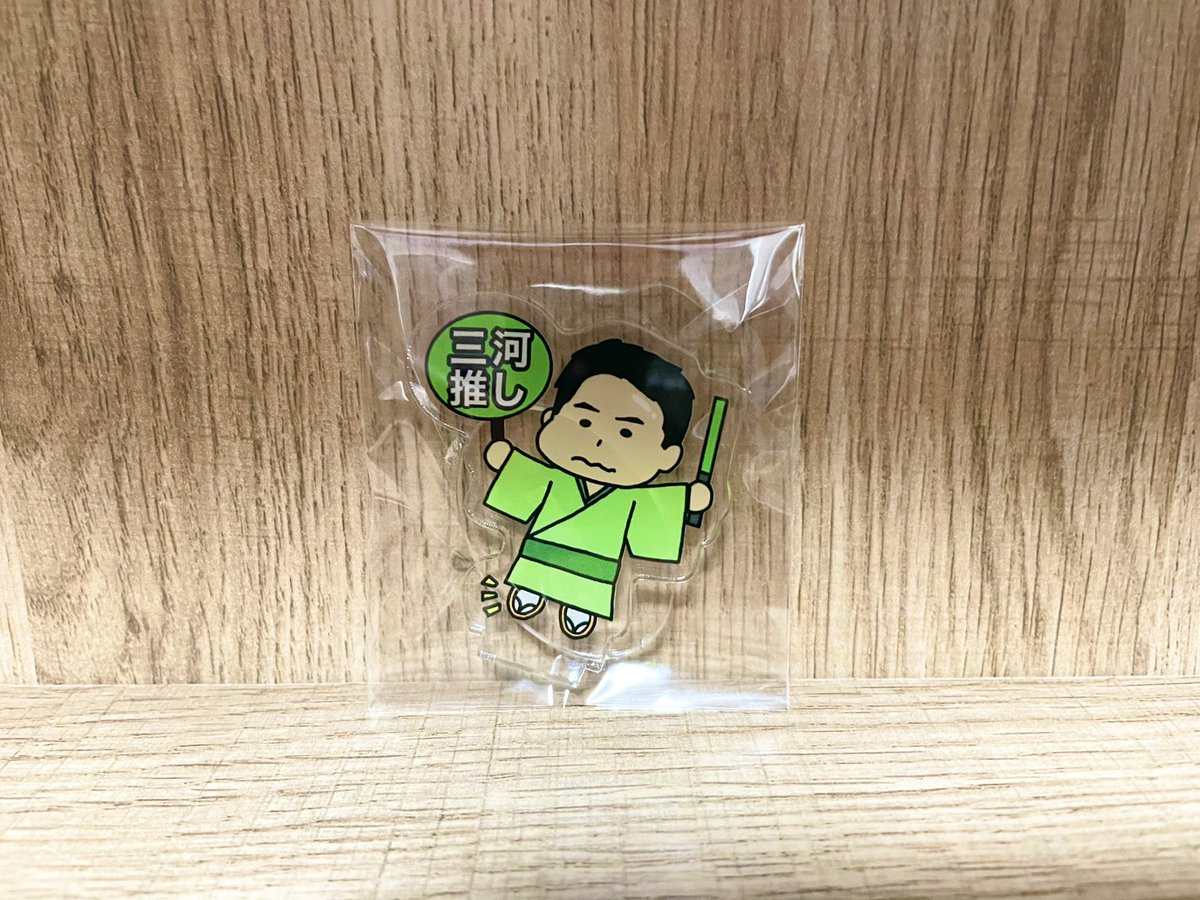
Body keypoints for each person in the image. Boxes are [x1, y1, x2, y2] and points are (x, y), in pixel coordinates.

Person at [483, 339, 712, 639]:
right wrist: (507, 462)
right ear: (550, 418)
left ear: (667, 456)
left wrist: (686, 501)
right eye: (585, 421)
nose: (600, 441)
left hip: (595, 568)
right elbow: (528, 479)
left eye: (626, 432)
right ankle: (531, 589)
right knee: (536, 570)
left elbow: (655, 509)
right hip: (541, 554)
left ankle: (580, 606)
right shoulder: (556, 479)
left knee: (587, 590)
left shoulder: (631, 499)